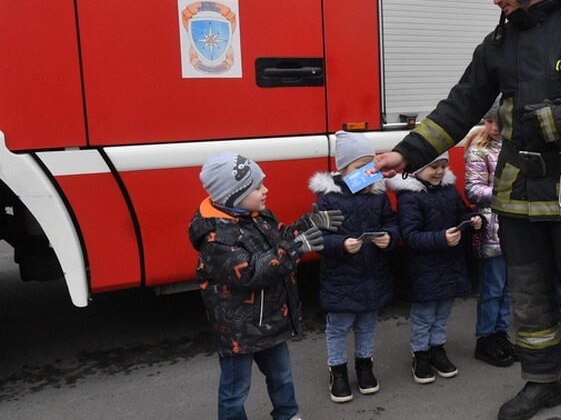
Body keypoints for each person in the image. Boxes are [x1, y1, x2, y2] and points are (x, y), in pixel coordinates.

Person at [372, 0, 561, 419]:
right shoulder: (498, 44)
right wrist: (406, 153)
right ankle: (542, 383)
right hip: (519, 194)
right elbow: (459, 107)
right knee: (530, 295)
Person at [189, 151, 341, 420]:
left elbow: (280, 238)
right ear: (233, 195)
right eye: (257, 187)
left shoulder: (257, 215)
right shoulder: (217, 238)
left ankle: (288, 415)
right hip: (239, 331)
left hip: (271, 320)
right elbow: (251, 273)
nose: (265, 190)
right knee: (235, 389)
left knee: (282, 376)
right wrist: (296, 248)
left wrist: (307, 224)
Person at [308, 131, 400, 403]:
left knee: (367, 324)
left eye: (372, 166)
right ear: (343, 169)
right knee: (338, 326)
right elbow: (318, 239)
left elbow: (391, 223)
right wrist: (341, 245)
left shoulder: (378, 196)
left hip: (372, 274)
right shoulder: (328, 199)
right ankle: (337, 372)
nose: (370, 172)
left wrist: (390, 237)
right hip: (341, 277)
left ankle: (364, 367)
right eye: (361, 168)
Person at [386, 151, 483, 384]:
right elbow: (410, 236)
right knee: (424, 314)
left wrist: (474, 219)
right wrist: (441, 238)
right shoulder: (409, 197)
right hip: (424, 269)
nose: (439, 171)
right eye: (433, 167)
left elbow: (462, 213)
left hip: (449, 265)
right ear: (417, 168)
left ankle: (437, 348)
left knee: (442, 313)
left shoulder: (449, 190)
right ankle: (420, 353)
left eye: (443, 166)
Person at [463, 101, 517, 367]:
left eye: (499, 121)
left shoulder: (513, 147)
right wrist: (506, 196)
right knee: (492, 289)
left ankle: (500, 334)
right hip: (492, 229)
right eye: (488, 121)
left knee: (508, 289)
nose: (494, 127)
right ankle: (485, 338)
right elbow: (472, 190)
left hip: (514, 228)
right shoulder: (478, 149)